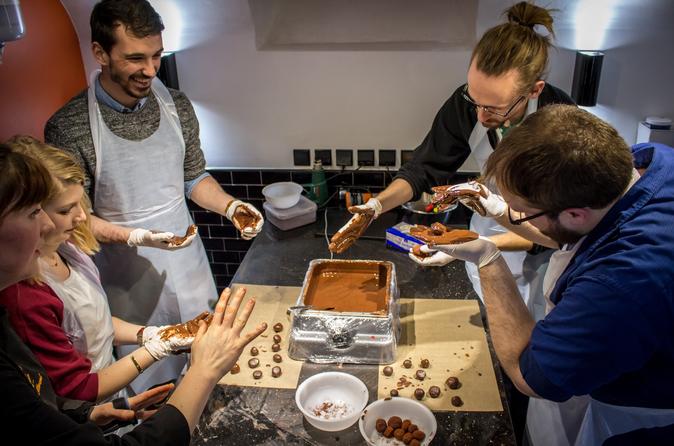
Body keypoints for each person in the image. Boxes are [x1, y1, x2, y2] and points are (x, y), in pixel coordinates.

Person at [419, 105, 674, 445]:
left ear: (574, 213)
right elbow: (568, 231)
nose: (514, 218)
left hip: (629, 420)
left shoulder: (618, 283)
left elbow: (532, 378)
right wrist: (497, 206)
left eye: (521, 214)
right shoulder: (647, 162)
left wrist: (488, 257)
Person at [44, 0, 264, 391]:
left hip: (188, 266)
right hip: (126, 279)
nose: (149, 70)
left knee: (208, 371)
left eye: (156, 56)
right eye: (135, 58)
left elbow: (193, 178)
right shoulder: (69, 126)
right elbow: (76, 218)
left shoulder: (177, 105)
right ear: (100, 53)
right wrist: (136, 236)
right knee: (150, 384)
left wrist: (232, 206)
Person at [0, 144, 266, 444]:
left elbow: (91, 326)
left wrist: (84, 415)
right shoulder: (23, 302)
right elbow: (72, 391)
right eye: (36, 212)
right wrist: (199, 368)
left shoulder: (67, 250)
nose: (52, 223)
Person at [332, 1, 574, 320]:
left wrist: (481, 245)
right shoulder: (470, 105)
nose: (480, 115)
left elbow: (557, 232)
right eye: (474, 101)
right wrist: (376, 206)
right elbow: (424, 169)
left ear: (534, 90)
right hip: (487, 225)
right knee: (495, 319)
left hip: (539, 244)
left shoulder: (563, 127)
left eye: (494, 108)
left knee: (533, 325)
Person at [1, 135, 195, 402]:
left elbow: (94, 326)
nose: (81, 217)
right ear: (37, 213)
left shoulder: (67, 249)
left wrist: (151, 333)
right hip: (85, 408)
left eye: (79, 205)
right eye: (66, 210)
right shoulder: (26, 296)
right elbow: (79, 388)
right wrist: (158, 347)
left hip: (110, 391)